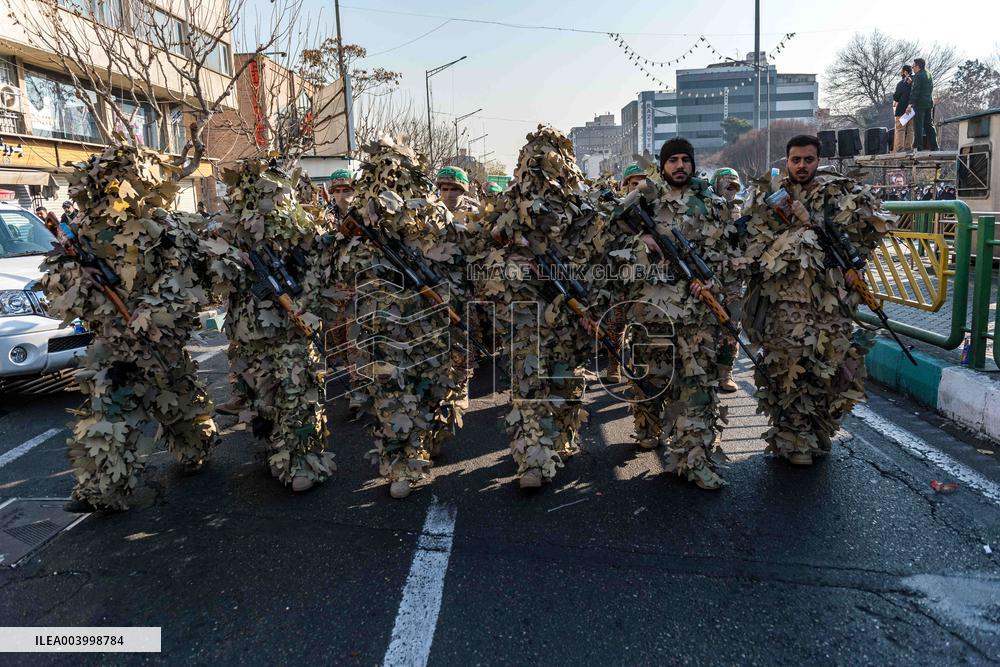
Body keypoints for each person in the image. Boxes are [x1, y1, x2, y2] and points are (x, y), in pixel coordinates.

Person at [40, 145, 220, 511]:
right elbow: (55, 285)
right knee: (108, 409)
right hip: (114, 343)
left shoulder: (166, 227)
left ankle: (196, 443)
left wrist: (151, 312)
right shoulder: (83, 233)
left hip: (160, 342)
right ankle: (101, 490)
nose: (115, 188)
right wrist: (78, 276)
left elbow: (189, 279)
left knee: (182, 409)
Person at [742, 135, 893, 465]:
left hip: (830, 300)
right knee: (787, 371)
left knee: (831, 371)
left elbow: (863, 235)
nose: (801, 166)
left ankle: (818, 430)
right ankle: (794, 439)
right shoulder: (771, 197)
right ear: (787, 161)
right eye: (795, 159)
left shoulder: (838, 193)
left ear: (817, 161)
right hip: (785, 302)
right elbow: (752, 241)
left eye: (808, 159)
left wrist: (856, 267)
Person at [331, 138, 469, 499]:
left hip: (426, 323)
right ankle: (401, 465)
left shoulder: (430, 217)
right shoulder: (361, 222)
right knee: (390, 393)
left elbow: (455, 263)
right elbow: (342, 271)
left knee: (430, 388)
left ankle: (426, 439)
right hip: (380, 324)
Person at [606, 138, 740, 490]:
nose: (680, 166)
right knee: (652, 382)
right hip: (652, 311)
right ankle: (649, 425)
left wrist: (713, 284)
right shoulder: (643, 198)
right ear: (663, 165)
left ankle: (694, 460)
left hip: (697, 315)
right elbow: (606, 241)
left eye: (685, 160)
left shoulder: (710, 202)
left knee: (696, 388)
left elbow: (725, 252)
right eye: (673, 160)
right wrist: (641, 245)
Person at [479, 126, 602, 488]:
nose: (542, 172)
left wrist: (590, 305)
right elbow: (485, 256)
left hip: (569, 312)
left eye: (550, 162)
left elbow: (598, 258)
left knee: (566, 384)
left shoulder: (582, 209)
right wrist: (518, 267)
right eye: (533, 163)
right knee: (529, 387)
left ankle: (559, 440)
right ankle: (531, 458)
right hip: (526, 314)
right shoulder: (506, 208)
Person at [208, 158, 335, 493]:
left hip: (290, 328)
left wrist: (302, 306)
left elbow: (321, 271)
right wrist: (231, 257)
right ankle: (277, 448)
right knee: (262, 397)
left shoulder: (300, 227)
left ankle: (302, 460)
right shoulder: (229, 231)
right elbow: (211, 276)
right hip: (248, 332)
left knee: (297, 392)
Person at [908, 58, 938, 151]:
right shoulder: (928, 74)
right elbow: (925, 86)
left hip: (919, 104)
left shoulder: (917, 76)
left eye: (913, 66)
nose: (912, 68)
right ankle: (934, 146)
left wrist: (910, 104)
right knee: (929, 125)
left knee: (918, 125)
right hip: (928, 103)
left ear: (917, 66)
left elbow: (915, 91)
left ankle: (918, 146)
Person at [893, 65, 914, 152]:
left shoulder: (901, 83)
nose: (900, 73)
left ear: (905, 72)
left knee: (900, 129)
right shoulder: (914, 82)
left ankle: (900, 148)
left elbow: (896, 97)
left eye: (901, 71)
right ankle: (909, 147)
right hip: (912, 109)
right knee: (910, 130)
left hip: (902, 110)